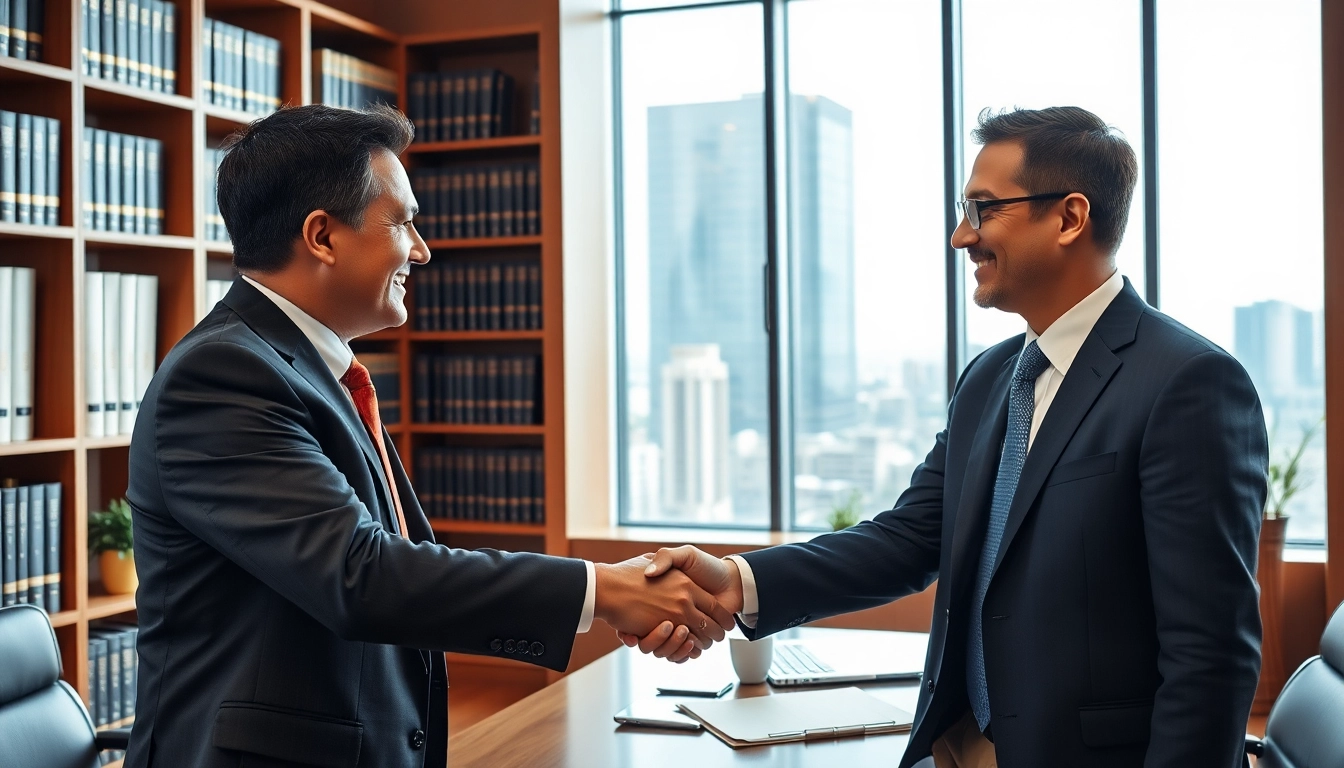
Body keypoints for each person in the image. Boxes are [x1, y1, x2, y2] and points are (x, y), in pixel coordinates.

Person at [631, 106, 1268, 768]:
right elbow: (911, 538)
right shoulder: (991, 377)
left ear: (1069, 218)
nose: (961, 236)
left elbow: (1210, 654)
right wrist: (737, 583)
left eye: (983, 209)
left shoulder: (1187, 383)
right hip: (958, 745)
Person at [123, 104, 732, 768]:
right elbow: (361, 575)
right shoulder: (223, 375)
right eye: (402, 222)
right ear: (322, 236)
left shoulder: (306, 369)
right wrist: (605, 590)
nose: (421, 249)